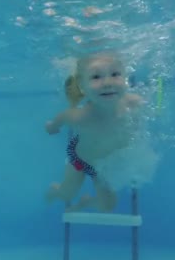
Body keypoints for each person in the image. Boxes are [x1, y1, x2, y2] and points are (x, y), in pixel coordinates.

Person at [44, 51, 144, 212]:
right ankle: (55, 190)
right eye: (96, 77)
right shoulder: (80, 117)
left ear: (125, 79)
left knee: (108, 207)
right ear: (82, 86)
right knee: (66, 194)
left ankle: (86, 202)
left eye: (115, 74)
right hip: (81, 161)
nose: (107, 82)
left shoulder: (134, 103)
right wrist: (52, 127)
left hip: (104, 167)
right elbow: (60, 119)